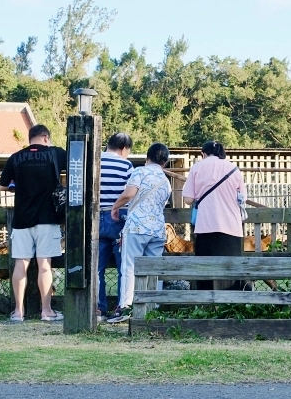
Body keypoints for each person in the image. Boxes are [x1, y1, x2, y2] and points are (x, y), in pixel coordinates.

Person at [0, 124, 67, 323]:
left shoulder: (16, 157)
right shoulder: (56, 154)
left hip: (22, 219)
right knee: (45, 265)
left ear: (30, 138)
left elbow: (3, 185)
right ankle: (46, 311)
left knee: (21, 264)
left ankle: (18, 312)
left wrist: (18, 187)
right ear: (46, 138)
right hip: (48, 217)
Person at [108, 143, 172, 323]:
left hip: (137, 226)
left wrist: (115, 207)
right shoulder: (166, 181)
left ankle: (126, 307)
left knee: (129, 267)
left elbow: (129, 194)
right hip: (157, 229)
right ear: (165, 162)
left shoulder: (140, 172)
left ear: (147, 157)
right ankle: (150, 307)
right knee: (153, 269)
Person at [181, 141, 248, 291]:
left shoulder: (197, 168)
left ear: (203, 153)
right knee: (230, 268)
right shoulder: (233, 168)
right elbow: (243, 197)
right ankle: (230, 300)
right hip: (231, 225)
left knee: (205, 268)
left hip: (206, 224)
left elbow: (188, 199)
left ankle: (207, 301)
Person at [97, 132, 133, 321]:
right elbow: (131, 192)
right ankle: (121, 306)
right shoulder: (126, 165)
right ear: (123, 148)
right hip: (119, 217)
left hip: (96, 217)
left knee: (97, 267)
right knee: (123, 267)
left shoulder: (94, 161)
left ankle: (98, 308)